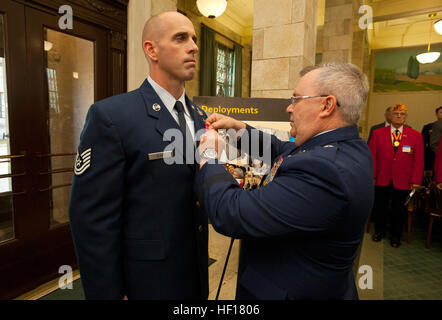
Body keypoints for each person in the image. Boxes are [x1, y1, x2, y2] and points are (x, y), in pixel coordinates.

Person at [195, 62, 373, 299]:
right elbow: (281, 150)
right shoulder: (346, 146)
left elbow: (232, 213)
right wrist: (236, 129)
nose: (289, 108)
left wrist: (209, 156)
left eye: (296, 99)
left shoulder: (326, 172)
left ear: (326, 105)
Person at [68, 11, 208, 300]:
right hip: (145, 282)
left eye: (194, 38)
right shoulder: (112, 116)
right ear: (151, 49)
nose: (193, 46)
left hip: (192, 275)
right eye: (180, 38)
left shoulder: (198, 116)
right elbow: (91, 219)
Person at [368, 103, 424, 248]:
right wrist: (371, 176)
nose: (399, 116)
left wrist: (416, 180)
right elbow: (372, 157)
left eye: (402, 114)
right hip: (382, 178)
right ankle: (379, 232)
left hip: (404, 180)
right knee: (380, 207)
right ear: (390, 116)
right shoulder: (378, 133)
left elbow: (419, 160)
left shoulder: (416, 136)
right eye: (396, 113)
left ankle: (395, 236)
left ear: (406, 117)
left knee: (399, 210)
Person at [422, 106, 442, 171]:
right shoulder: (429, 127)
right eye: (441, 112)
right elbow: (424, 144)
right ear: (436, 114)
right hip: (433, 156)